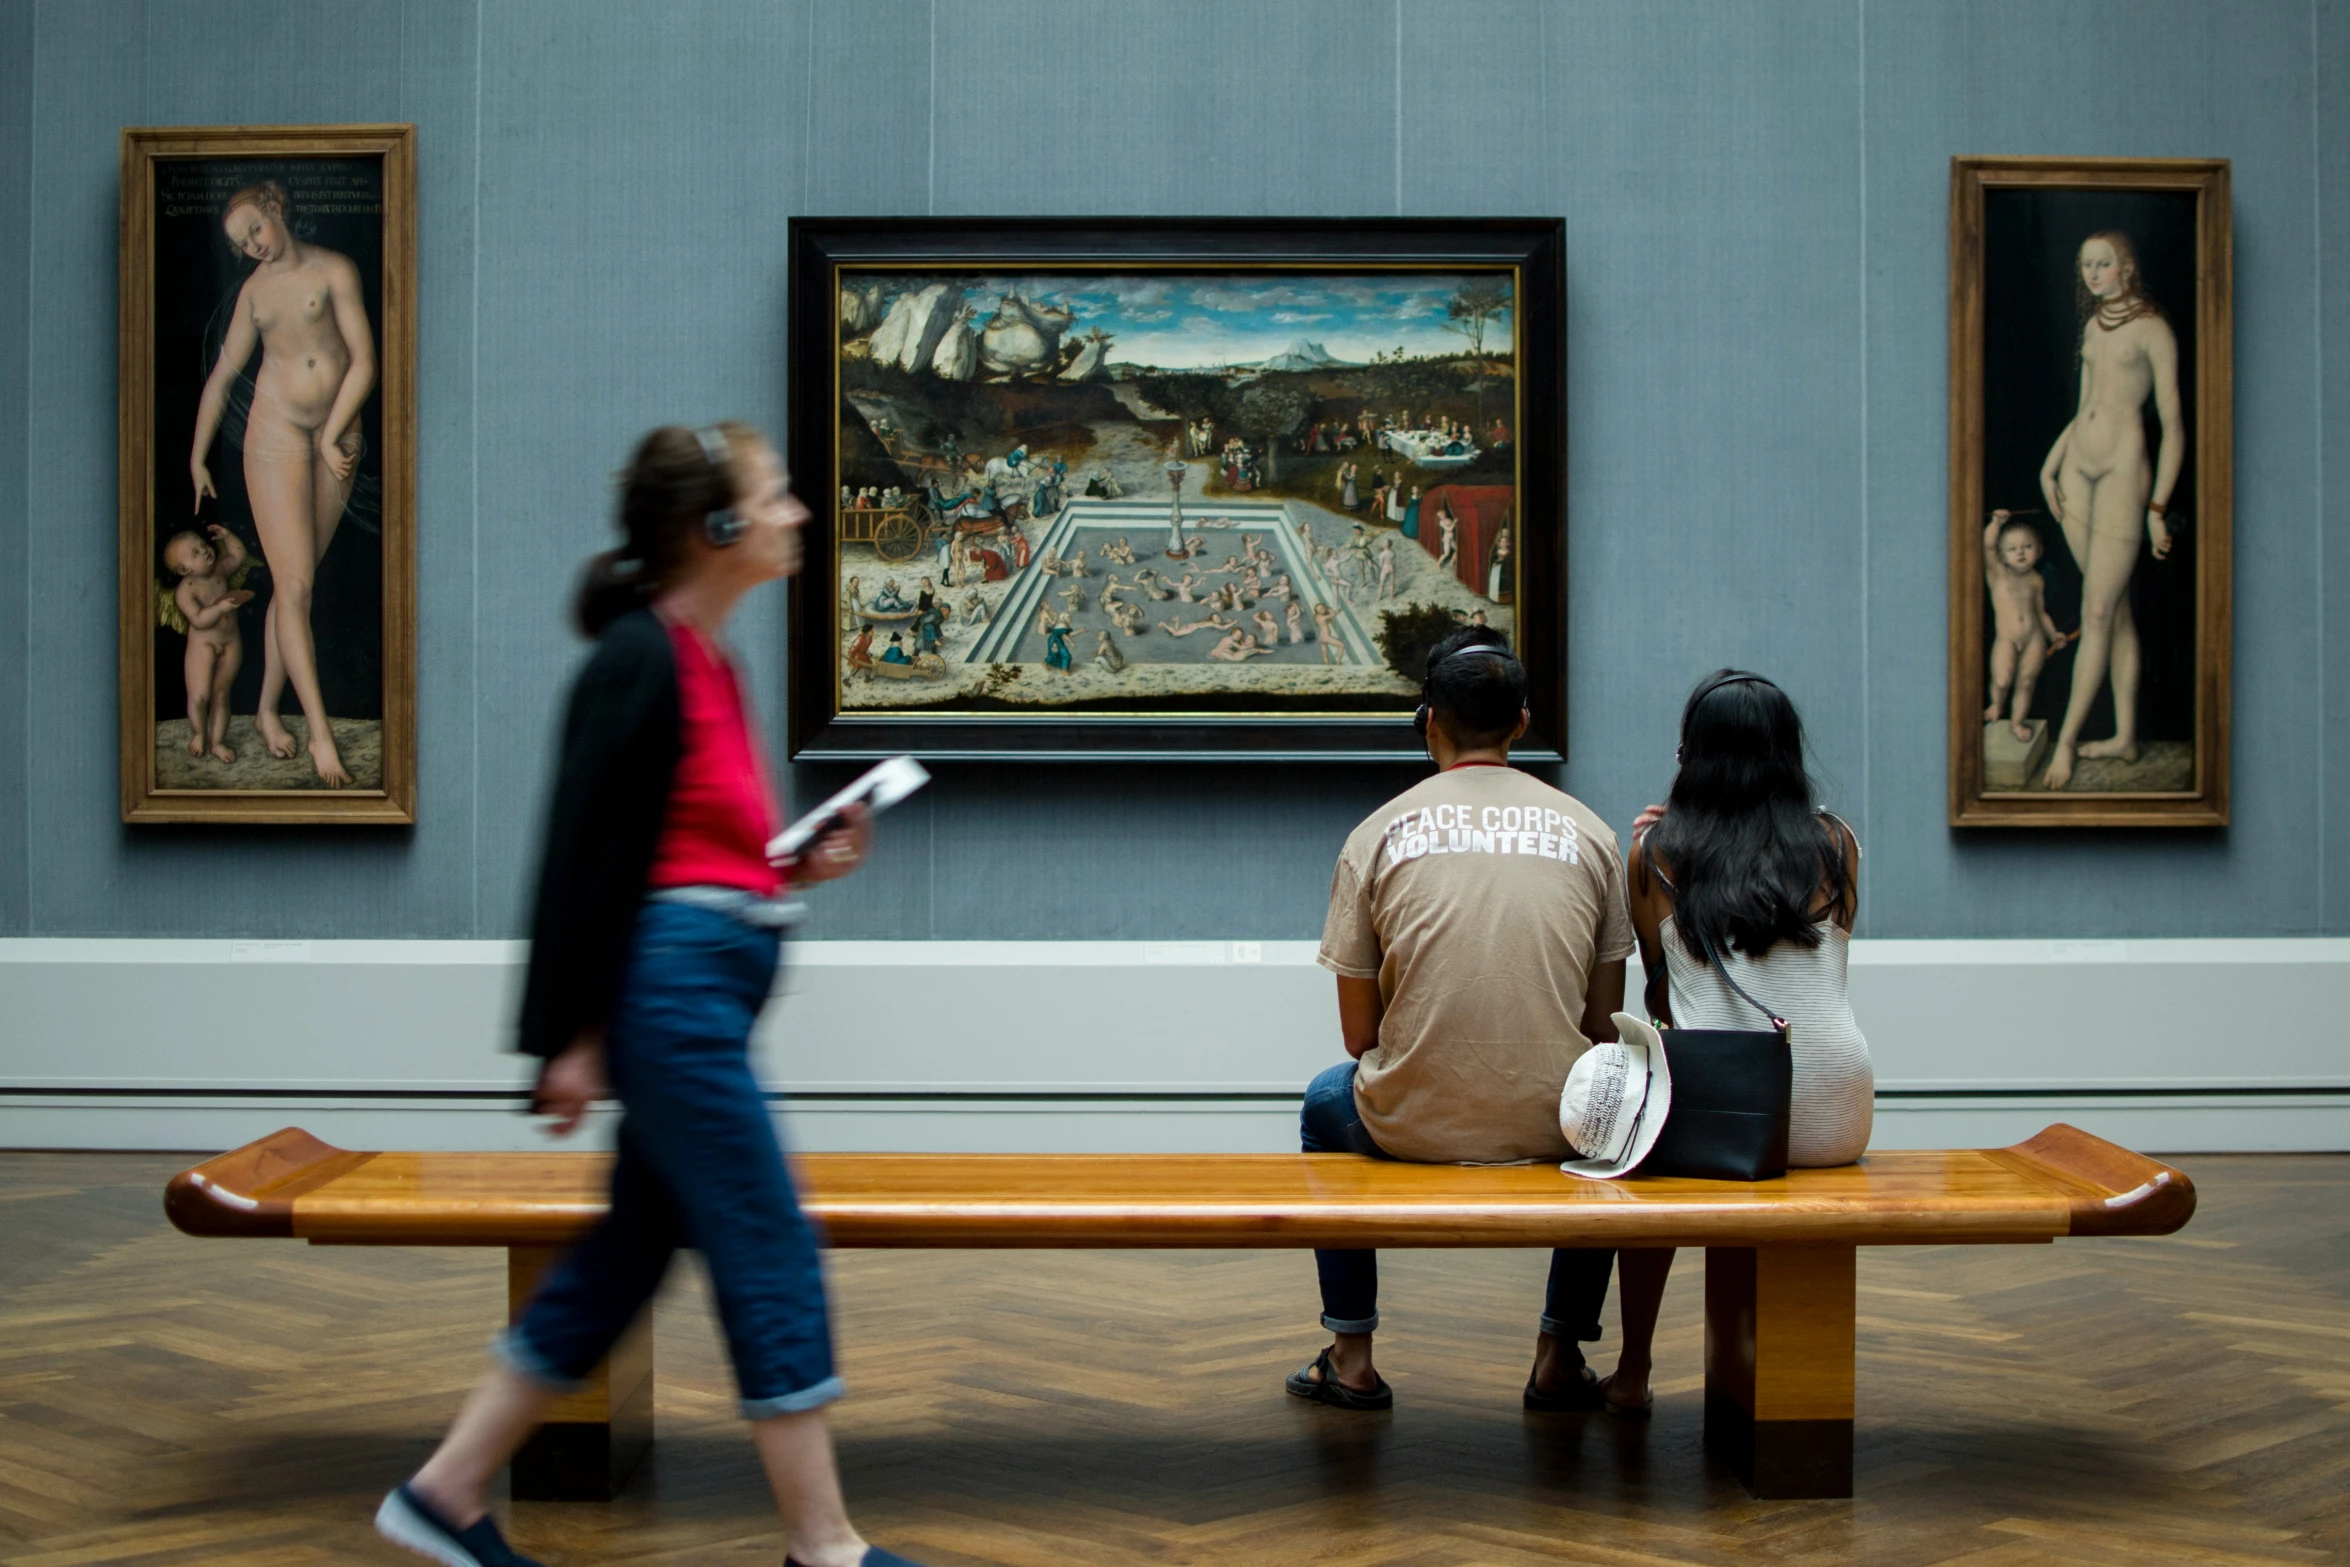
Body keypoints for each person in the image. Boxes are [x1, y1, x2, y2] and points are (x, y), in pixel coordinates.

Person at [373, 423, 926, 1567]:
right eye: (775, 498)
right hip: (671, 1003)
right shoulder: (636, 656)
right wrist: (566, 1037)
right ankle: (823, 1545)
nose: (797, 515)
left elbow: (684, 849)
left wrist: (792, 863)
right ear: (714, 529)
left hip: (700, 991)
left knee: (626, 1255)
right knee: (768, 1239)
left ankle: (445, 1491)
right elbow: (579, 855)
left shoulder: (709, 659)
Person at [1289, 630, 1634, 1414]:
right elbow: (1602, 1027)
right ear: (1520, 723)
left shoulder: (1376, 834)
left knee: (1323, 1100)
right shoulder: (1592, 834)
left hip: (1410, 1122)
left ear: (1429, 721)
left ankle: (1351, 1354)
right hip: (1559, 1121)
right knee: (1617, 1115)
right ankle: (1558, 1354)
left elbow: (1356, 1038)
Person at [1610, 670, 1872, 1415]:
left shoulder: (1655, 853)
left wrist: (1667, 841)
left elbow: (1662, 1003)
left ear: (1691, 756)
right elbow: (1828, 969)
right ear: (1788, 755)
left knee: (1645, 1167)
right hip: (1838, 1113)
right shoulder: (1838, 844)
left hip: (1720, 1115)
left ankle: (1633, 1369)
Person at [189, 180, 375, 787]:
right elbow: (220, 380)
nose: (253, 247)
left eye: (256, 231)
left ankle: (267, 709)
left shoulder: (334, 270)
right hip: (276, 436)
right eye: (241, 244)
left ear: (276, 210)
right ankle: (320, 734)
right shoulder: (253, 295)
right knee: (293, 587)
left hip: (337, 432)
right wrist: (197, 458)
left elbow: (365, 362)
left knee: (297, 586)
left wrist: (332, 433)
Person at [2037, 230, 2182, 789]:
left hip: (2124, 476)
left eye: (2102, 265)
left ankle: (2067, 743)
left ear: (2126, 267)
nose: (2092, 275)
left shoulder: (2153, 329)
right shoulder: (2096, 325)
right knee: (2113, 611)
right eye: (2085, 267)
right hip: (2078, 470)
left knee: (2096, 612)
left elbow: (2173, 426)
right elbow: (2084, 410)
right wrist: (2051, 467)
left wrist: (2157, 506)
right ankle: (2124, 737)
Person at [164, 524, 255, 763]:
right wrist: (221, 607)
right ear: (184, 569)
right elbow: (199, 619)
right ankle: (198, 734)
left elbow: (238, 555)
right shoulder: (185, 591)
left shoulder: (219, 570)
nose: (205, 551)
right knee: (199, 696)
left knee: (221, 693)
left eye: (203, 545)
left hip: (229, 642)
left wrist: (228, 536)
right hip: (202, 647)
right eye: (195, 553)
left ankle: (217, 742)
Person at [1982, 511, 2076, 740]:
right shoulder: (1998, 574)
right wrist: (1996, 524)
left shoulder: (2036, 579)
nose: (2021, 552)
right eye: (2012, 549)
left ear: (2039, 551)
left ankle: (2016, 722)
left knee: (2026, 682)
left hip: (2034, 638)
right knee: (2003, 679)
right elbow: (1988, 547)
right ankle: (1996, 704)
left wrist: (2053, 635)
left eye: (2027, 546)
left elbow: (2040, 612)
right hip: (2007, 637)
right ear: (2003, 556)